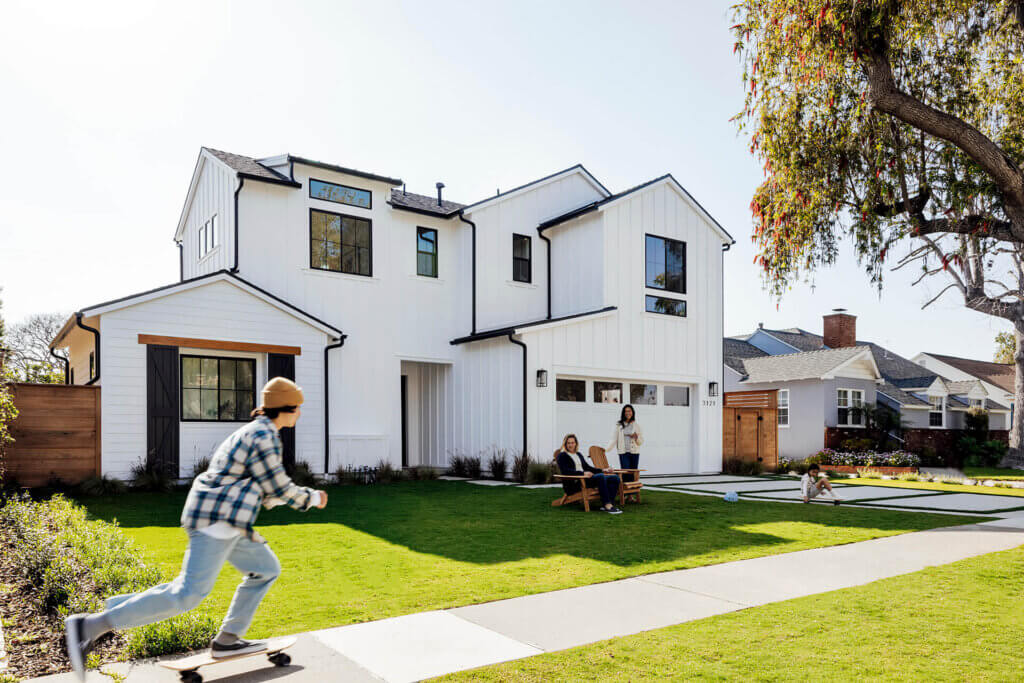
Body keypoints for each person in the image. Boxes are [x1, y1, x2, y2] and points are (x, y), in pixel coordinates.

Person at [64, 377, 329, 680]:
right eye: (299, 409)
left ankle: (228, 640)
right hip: (216, 521)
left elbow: (265, 491)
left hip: (232, 522)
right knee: (187, 594)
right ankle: (91, 625)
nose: (300, 414)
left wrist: (285, 498)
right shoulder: (263, 436)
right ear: (288, 407)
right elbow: (279, 486)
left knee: (266, 569)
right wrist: (312, 497)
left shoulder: (258, 432)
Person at [556, 433, 623, 514]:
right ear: (565, 444)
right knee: (600, 477)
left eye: (572, 443)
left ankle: (609, 503)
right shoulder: (562, 455)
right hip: (576, 483)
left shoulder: (578, 454)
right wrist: (582, 473)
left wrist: (604, 470)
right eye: (568, 443)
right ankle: (607, 505)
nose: (570, 445)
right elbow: (565, 471)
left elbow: (588, 467)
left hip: (586, 480)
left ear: (576, 443)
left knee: (614, 478)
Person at [606, 404, 643, 482]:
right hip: (623, 453)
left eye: (629, 411)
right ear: (623, 413)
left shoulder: (636, 425)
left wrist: (636, 437)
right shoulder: (619, 425)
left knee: (633, 473)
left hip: (634, 453)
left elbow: (640, 442)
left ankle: (631, 493)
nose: (627, 413)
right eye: (625, 411)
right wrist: (605, 450)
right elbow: (613, 439)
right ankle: (625, 491)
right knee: (626, 473)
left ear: (632, 412)